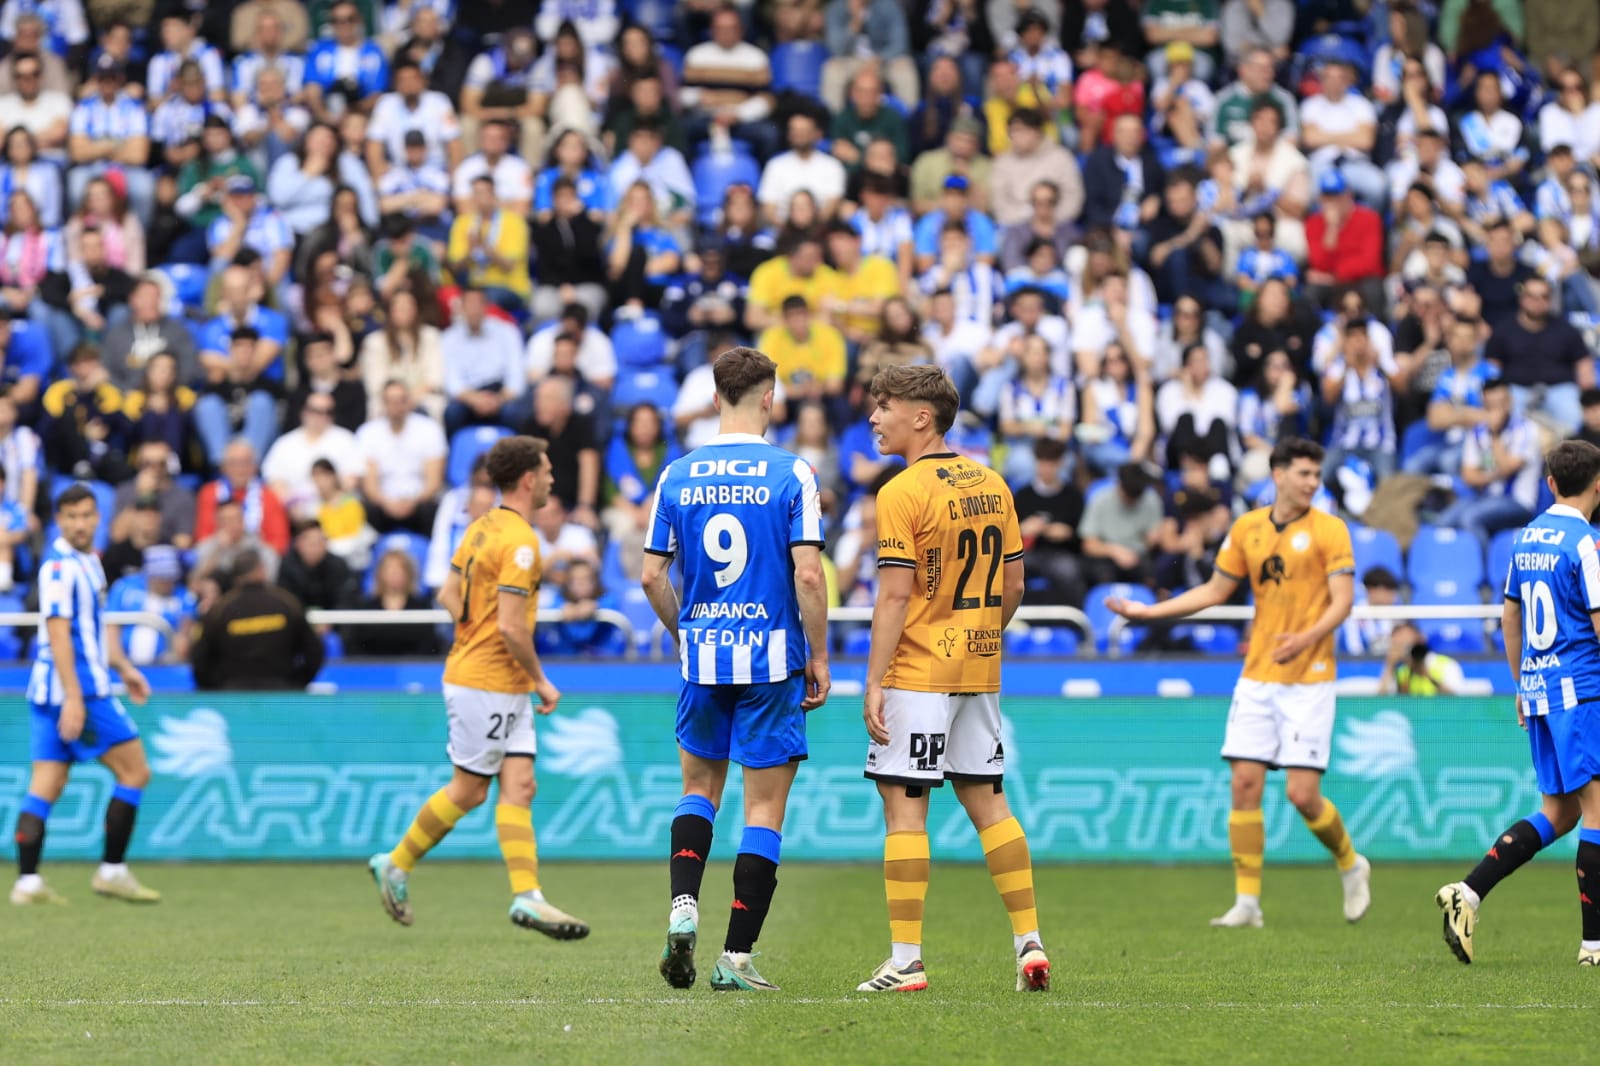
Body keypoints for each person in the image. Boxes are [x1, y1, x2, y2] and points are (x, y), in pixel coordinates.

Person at [1108, 437, 1372, 930]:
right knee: (1244, 785)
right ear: (1278, 474)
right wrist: (1149, 612)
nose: (1312, 482)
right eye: (1303, 474)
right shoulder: (1247, 528)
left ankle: (1351, 863)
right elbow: (1213, 590)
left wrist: (1306, 639)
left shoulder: (1330, 530)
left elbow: (1343, 602)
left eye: (1317, 475)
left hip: (1310, 677)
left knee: (1302, 795)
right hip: (1257, 676)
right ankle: (1247, 903)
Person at [638, 346, 829, 992]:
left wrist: (684, 633)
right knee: (764, 810)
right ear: (769, 399)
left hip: (705, 660)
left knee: (698, 792)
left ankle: (682, 904)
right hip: (772, 660)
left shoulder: (677, 474)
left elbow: (650, 575)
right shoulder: (792, 474)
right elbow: (807, 572)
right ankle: (735, 958)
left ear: (715, 398)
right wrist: (820, 652)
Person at [856, 364, 1048, 993]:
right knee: (991, 806)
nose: (873, 417)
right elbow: (1015, 584)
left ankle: (906, 961)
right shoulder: (993, 482)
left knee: (905, 811)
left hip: (917, 670)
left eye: (884, 405)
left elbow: (892, 598)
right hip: (981, 666)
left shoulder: (901, 491)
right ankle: (1029, 945)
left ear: (922, 416)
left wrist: (875, 679)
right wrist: (982, 634)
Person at [368, 436, 589, 939]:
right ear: (529, 478)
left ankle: (528, 897)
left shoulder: (481, 527)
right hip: (488, 682)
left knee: (520, 785)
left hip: (493, 679)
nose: (553, 479)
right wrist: (542, 681)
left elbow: (449, 593)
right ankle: (396, 865)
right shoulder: (522, 543)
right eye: (548, 470)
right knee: (469, 790)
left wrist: (473, 634)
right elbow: (512, 627)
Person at [1436, 440, 1600, 967]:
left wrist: (1522, 684)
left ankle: (1469, 893)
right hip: (1579, 690)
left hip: (1540, 689)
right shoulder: (1585, 544)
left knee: (1561, 812)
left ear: (1550, 482)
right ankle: (1594, 945)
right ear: (1597, 485)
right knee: (1597, 813)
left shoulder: (1526, 538)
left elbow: (1510, 616)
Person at [12, 484, 159, 906]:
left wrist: (125, 667)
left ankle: (27, 883)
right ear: (60, 520)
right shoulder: (59, 568)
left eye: (86, 515)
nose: (80, 523)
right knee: (135, 772)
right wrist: (75, 697)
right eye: (71, 516)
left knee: (47, 783)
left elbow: (94, 628)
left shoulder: (91, 561)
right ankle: (112, 870)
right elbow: (59, 632)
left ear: (98, 517)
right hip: (81, 691)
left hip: (48, 692)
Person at [190, 549, 321, 690]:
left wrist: (219, 688)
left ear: (236, 577)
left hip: (234, 695)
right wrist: (296, 683)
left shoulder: (220, 610)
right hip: (280, 693)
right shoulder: (287, 603)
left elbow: (200, 659)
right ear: (261, 570)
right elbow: (314, 650)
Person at [106, 544, 196, 666]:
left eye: (171, 577)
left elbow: (185, 633)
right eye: (162, 578)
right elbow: (110, 628)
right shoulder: (124, 588)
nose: (167, 583)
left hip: (164, 668)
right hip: (123, 664)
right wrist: (119, 664)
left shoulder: (184, 596)